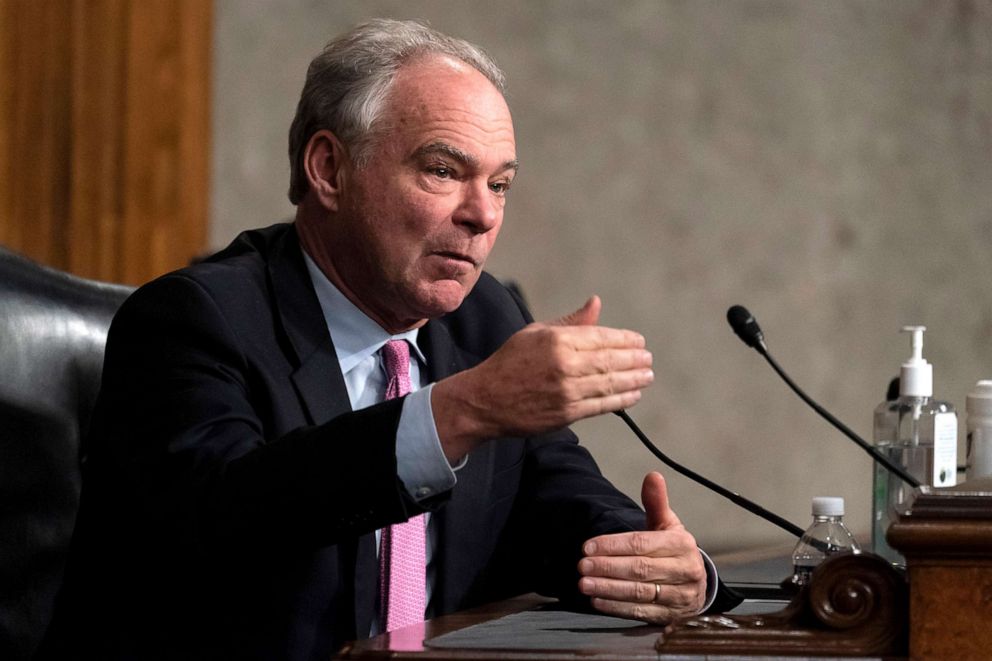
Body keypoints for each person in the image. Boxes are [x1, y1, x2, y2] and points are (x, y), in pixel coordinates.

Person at [42, 19, 734, 661]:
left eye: (500, 184)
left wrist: (663, 566)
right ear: (330, 169)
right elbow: (229, 519)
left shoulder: (483, 319)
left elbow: (557, 499)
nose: (482, 215)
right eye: (443, 171)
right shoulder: (195, 321)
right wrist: (458, 412)